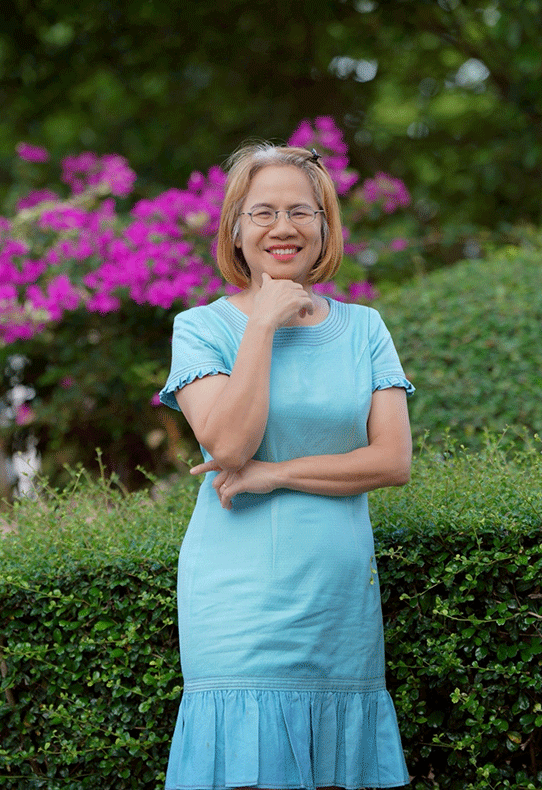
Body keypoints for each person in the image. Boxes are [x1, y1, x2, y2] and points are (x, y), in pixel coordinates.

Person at [159, 143, 415, 790]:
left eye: (301, 211)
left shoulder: (365, 329)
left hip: (341, 602)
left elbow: (392, 460)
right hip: (238, 602)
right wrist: (263, 323)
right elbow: (229, 447)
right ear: (235, 229)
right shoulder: (200, 329)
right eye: (263, 212)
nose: (283, 227)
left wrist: (276, 474)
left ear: (324, 227)